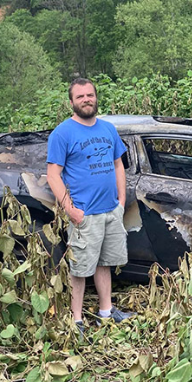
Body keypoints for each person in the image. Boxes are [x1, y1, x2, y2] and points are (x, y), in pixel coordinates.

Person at [46, 78, 136, 335]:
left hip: (110, 211)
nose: (86, 99)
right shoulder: (62, 134)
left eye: (90, 95)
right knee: (80, 268)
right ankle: (76, 321)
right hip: (85, 214)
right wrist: (71, 211)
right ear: (72, 102)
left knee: (104, 263)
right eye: (80, 96)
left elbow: (118, 165)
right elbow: (53, 175)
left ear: (96, 97)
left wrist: (120, 201)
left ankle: (105, 313)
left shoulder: (108, 129)